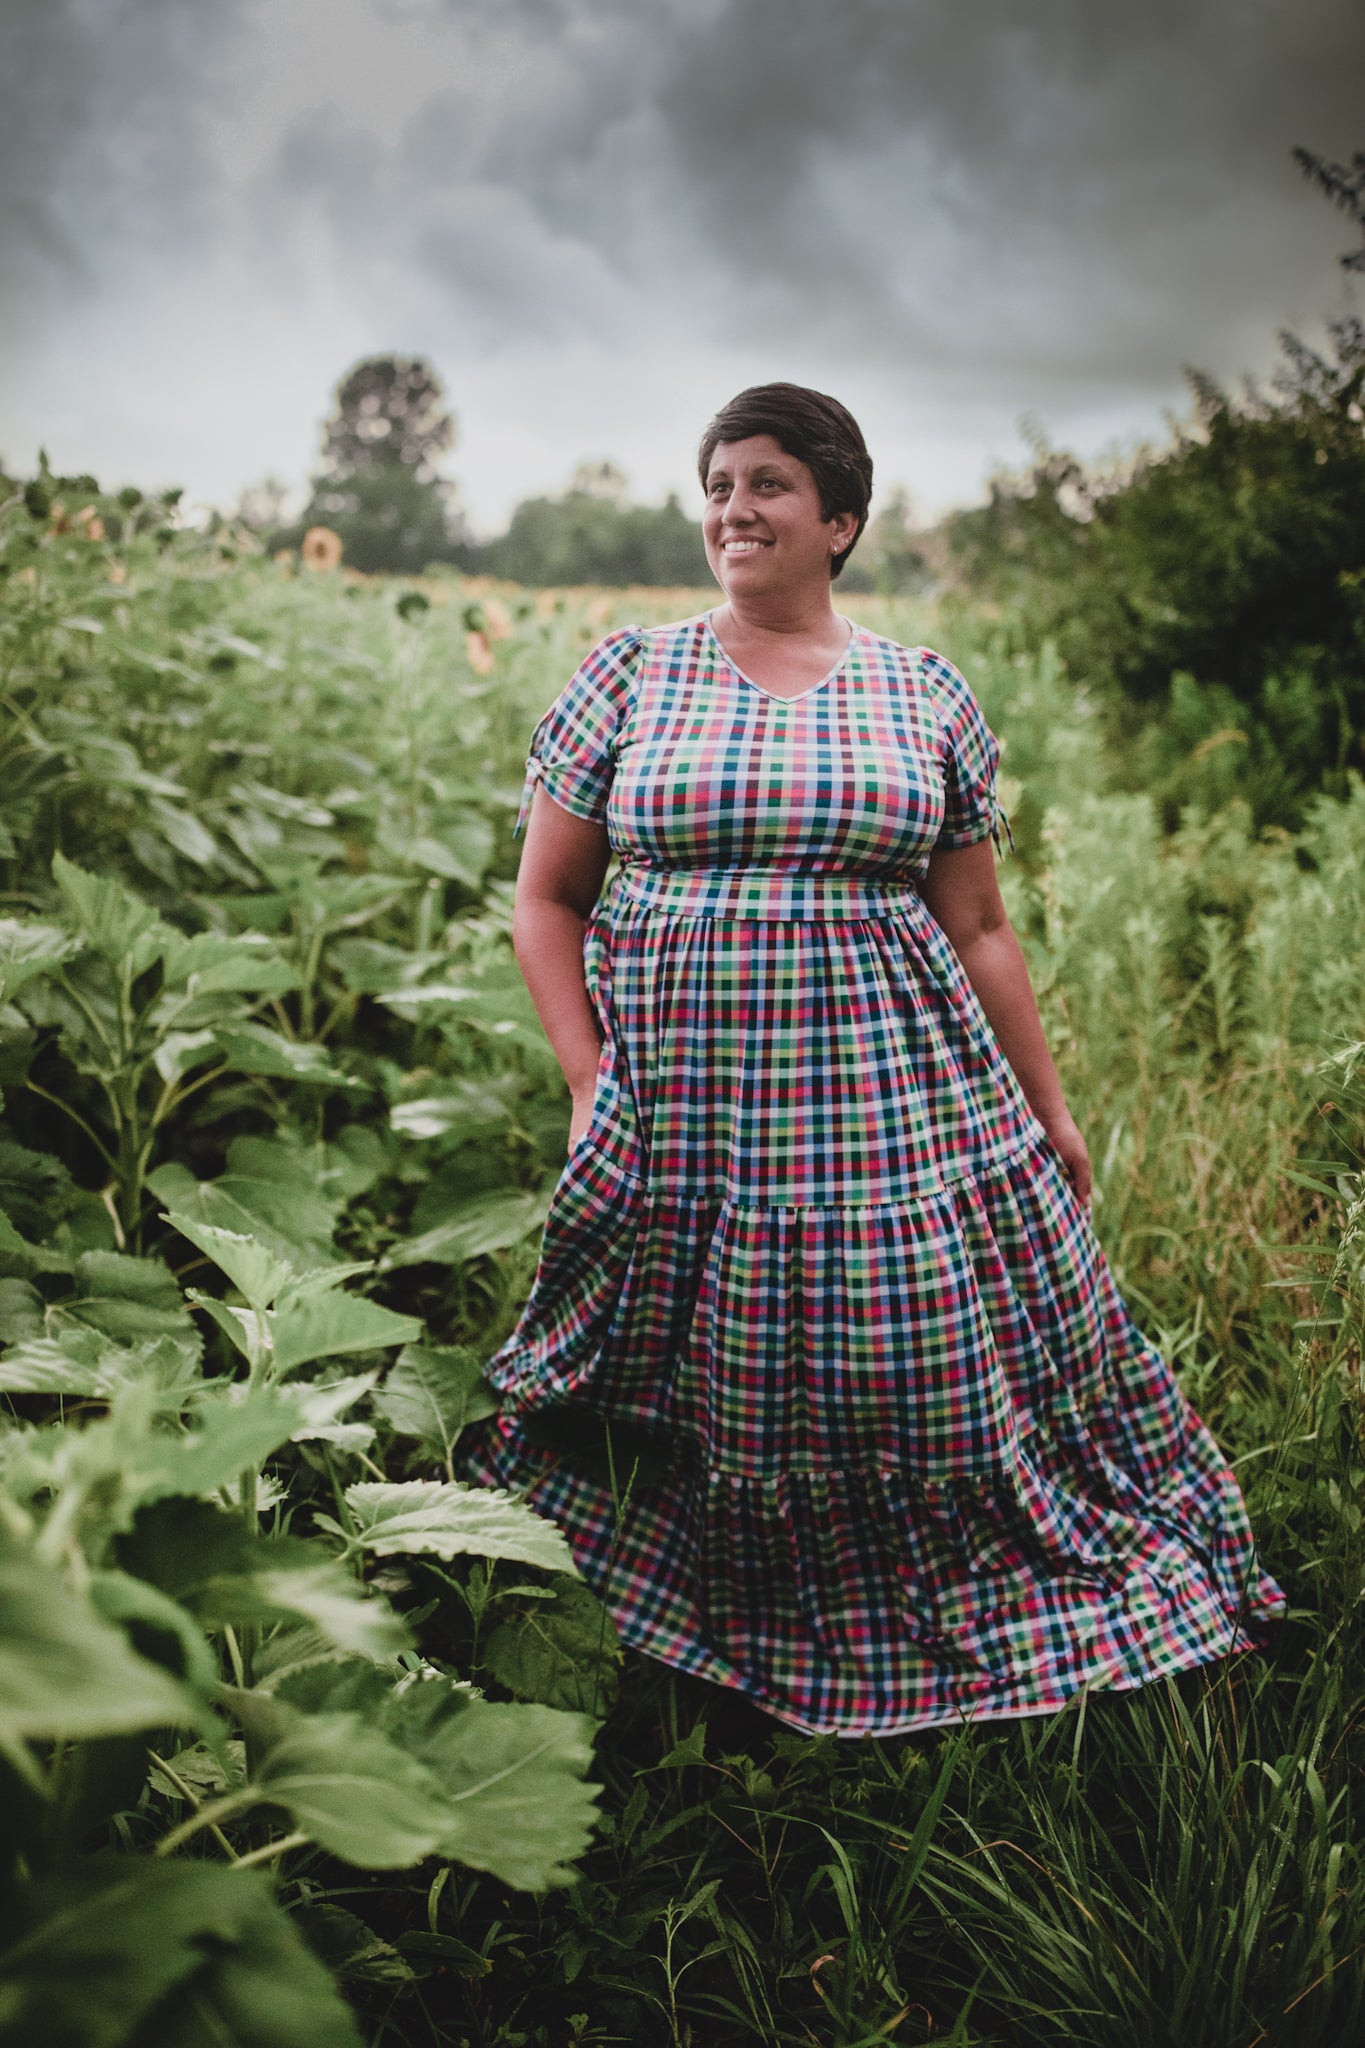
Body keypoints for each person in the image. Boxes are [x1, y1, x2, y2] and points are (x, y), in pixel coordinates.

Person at [455, 382, 1284, 1737]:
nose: (734, 508)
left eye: (769, 484)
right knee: (691, 1353)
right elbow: (546, 901)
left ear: (839, 519)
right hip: (688, 1112)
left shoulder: (922, 692)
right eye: (719, 483)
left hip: (891, 1104)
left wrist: (1049, 1110)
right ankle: (706, 1601)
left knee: (901, 1352)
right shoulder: (629, 673)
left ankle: (919, 1581)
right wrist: (589, 1078)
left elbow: (976, 924)